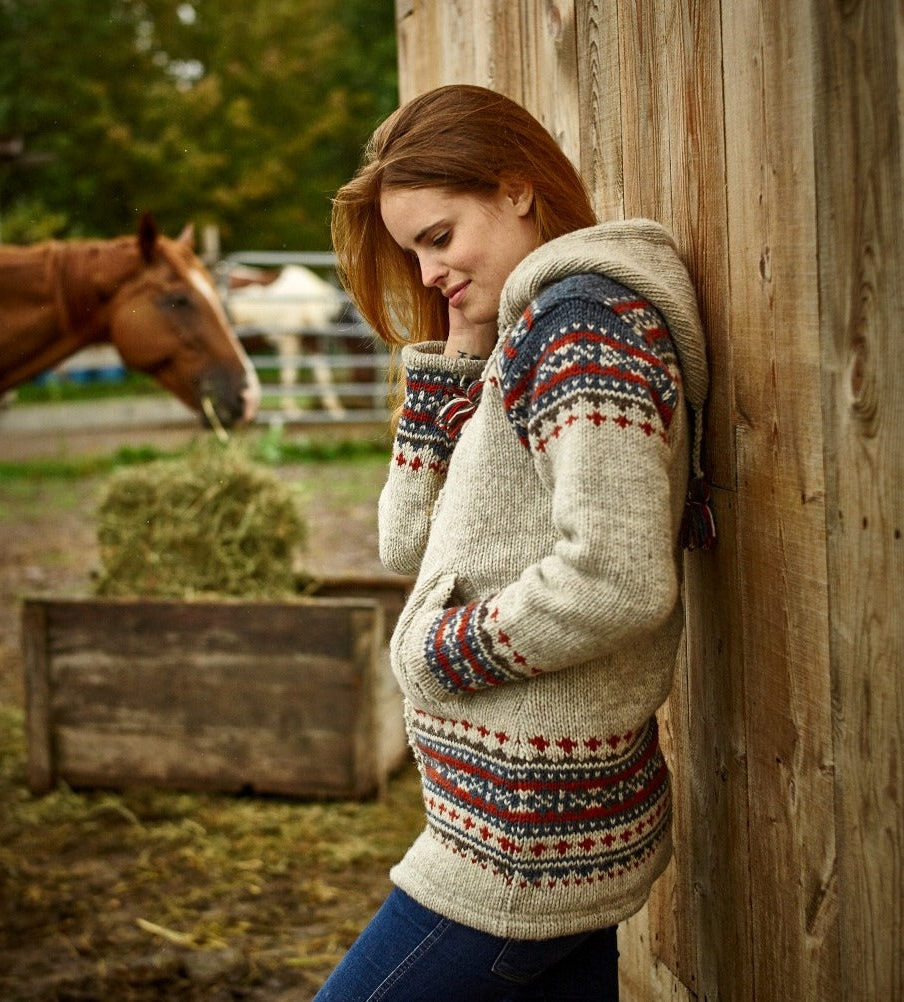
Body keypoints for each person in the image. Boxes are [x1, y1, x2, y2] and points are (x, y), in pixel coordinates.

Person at [315, 84, 712, 1002]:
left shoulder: (584, 328)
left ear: (516, 188)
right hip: (526, 826)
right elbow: (407, 543)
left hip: (521, 841)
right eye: (414, 253)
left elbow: (615, 576)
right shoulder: (526, 330)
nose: (427, 273)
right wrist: (457, 348)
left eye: (439, 237)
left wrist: (434, 653)